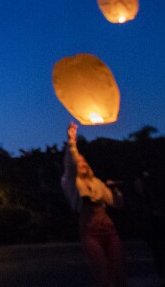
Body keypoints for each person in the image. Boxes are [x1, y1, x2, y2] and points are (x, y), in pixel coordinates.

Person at [62, 122, 128, 287]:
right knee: (101, 272)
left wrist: (115, 191)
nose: (81, 163)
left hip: (109, 229)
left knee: (119, 272)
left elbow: (118, 204)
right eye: (78, 162)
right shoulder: (71, 182)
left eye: (84, 161)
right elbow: (71, 161)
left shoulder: (97, 183)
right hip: (90, 232)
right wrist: (72, 140)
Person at [132, 171, 165, 287]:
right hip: (151, 229)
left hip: (160, 226)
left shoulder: (152, 195)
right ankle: (163, 277)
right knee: (158, 254)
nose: (139, 184)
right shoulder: (139, 198)